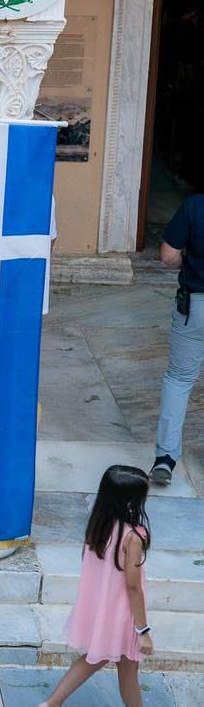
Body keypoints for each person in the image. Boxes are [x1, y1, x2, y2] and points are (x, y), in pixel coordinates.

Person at [35, 466, 180, 707]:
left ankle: (53, 706)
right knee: (124, 666)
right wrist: (143, 629)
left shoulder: (99, 527)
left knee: (102, 659)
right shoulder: (133, 536)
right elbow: (133, 587)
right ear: (130, 500)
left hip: (102, 611)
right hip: (123, 615)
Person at [149, 186, 204, 486]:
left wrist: (189, 263)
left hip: (196, 306)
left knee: (179, 380)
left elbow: (168, 255)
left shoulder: (195, 206)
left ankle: (165, 459)